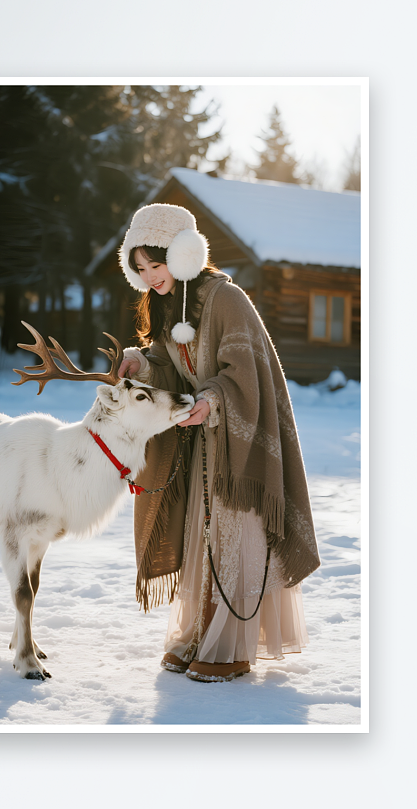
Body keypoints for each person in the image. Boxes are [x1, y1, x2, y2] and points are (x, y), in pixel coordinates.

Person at [117, 203, 320, 683]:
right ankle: (199, 634)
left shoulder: (225, 298)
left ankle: (230, 647)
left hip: (239, 441)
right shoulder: (170, 305)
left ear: (183, 253)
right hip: (202, 443)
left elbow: (244, 375)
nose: (150, 277)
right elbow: (172, 367)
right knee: (200, 539)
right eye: (140, 269)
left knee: (232, 538)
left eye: (156, 264)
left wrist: (211, 400)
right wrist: (139, 363)